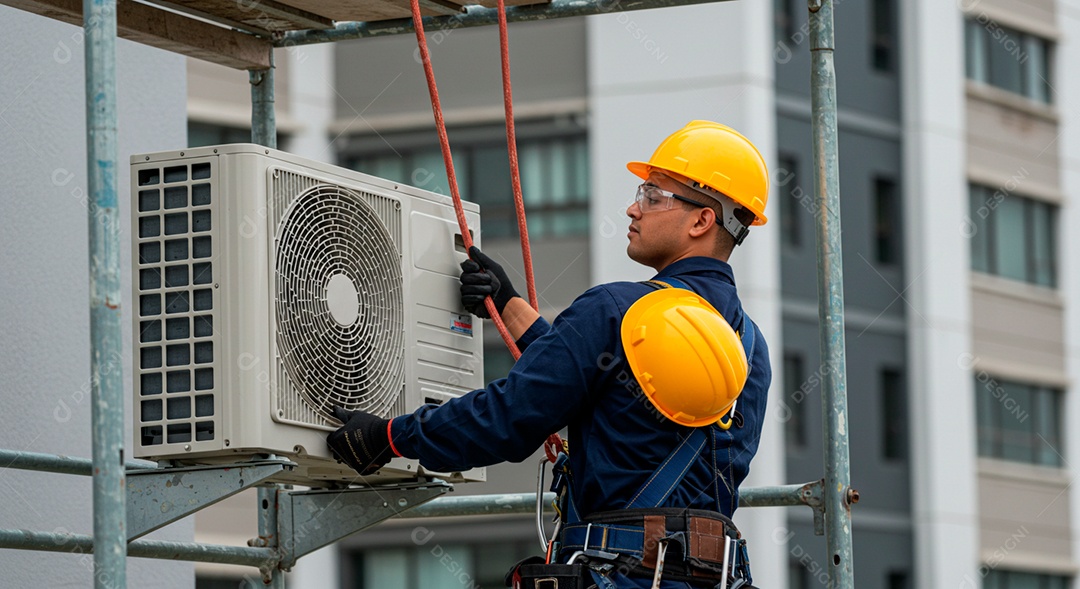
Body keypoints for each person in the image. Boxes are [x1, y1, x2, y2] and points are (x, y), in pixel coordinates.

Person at [329, 120, 772, 589]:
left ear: (702, 220)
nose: (632, 208)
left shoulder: (616, 309)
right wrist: (508, 305)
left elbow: (510, 417)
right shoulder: (750, 346)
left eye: (652, 195)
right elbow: (603, 387)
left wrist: (387, 437)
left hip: (619, 575)